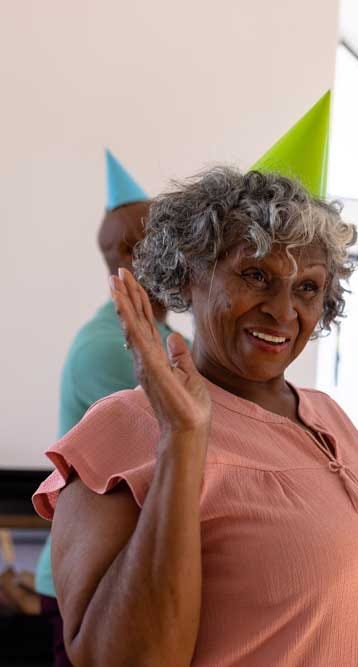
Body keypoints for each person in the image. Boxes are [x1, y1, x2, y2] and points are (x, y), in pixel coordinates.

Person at [31, 165, 358, 666]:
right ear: (190, 272)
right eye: (256, 275)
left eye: (307, 288)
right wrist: (183, 441)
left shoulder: (329, 416)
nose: (283, 311)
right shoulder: (126, 427)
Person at [34, 150, 181, 667]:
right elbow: (171, 456)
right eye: (164, 242)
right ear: (129, 252)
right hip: (92, 580)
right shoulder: (111, 348)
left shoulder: (161, 337)